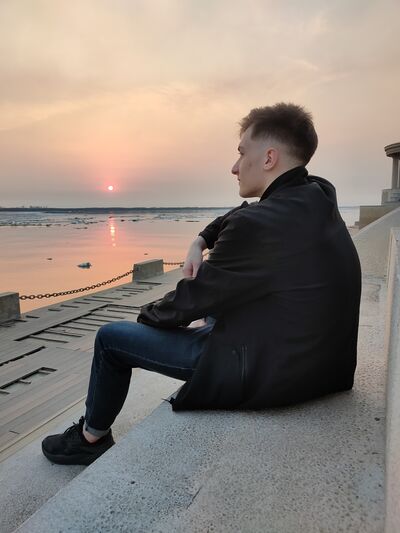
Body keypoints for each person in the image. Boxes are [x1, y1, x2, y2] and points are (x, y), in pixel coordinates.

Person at [41, 103, 362, 465]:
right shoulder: (318, 192)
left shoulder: (257, 225)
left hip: (272, 372)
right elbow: (240, 214)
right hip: (323, 366)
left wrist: (149, 319)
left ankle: (90, 438)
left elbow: (186, 302)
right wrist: (201, 239)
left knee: (111, 339)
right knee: (210, 311)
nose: (234, 167)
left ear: (269, 158)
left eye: (241, 153)